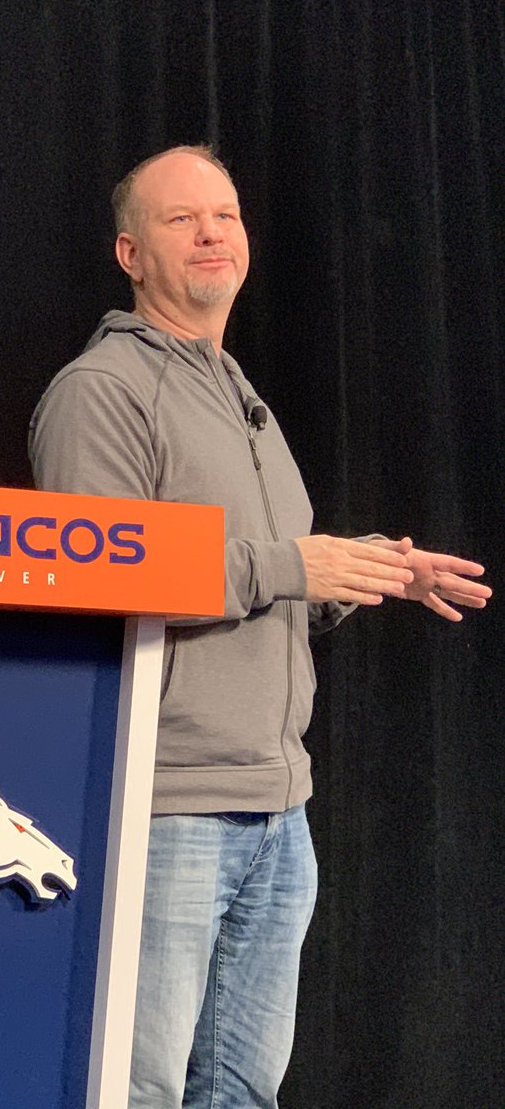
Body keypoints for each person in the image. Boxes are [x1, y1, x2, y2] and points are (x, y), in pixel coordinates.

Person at [28, 145, 491, 1109]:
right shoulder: (102, 391)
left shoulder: (239, 394)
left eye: (226, 216)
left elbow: (263, 584)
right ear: (130, 254)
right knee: (140, 1089)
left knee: (241, 1093)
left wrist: (361, 571)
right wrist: (291, 565)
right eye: (181, 218)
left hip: (280, 812)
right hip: (169, 807)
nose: (212, 233)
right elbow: (99, 580)